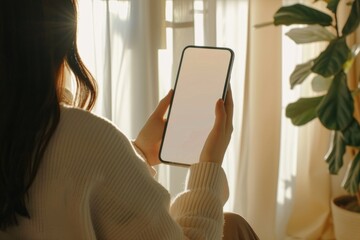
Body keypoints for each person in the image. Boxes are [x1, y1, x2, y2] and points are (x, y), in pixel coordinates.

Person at [0, 0, 259, 239]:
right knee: (235, 228)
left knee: (232, 225)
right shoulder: (81, 135)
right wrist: (209, 166)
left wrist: (138, 154)